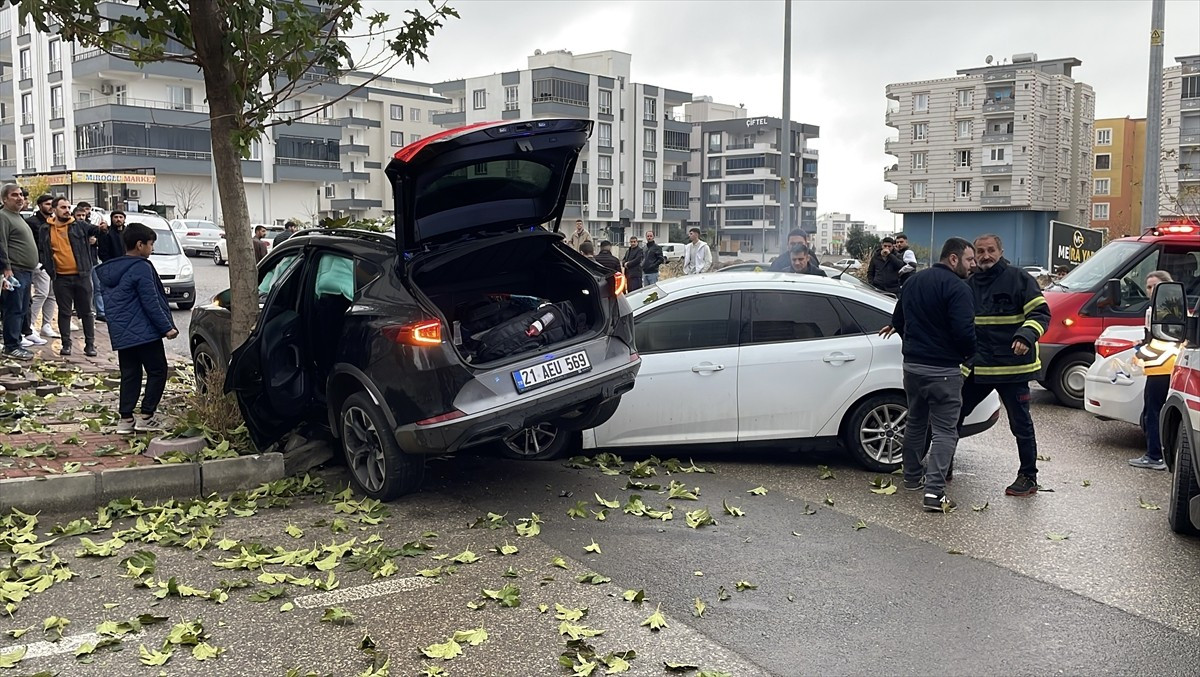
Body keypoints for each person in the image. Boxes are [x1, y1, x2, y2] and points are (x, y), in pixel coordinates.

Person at [880, 237, 976, 512]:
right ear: (954, 259)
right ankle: (934, 493)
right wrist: (969, 354)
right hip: (943, 371)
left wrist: (915, 347)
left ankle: (912, 477)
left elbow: (898, 321)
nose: (973, 265)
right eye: (969, 259)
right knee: (945, 431)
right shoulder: (958, 288)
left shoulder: (912, 282)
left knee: (916, 422)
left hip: (912, 368)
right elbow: (964, 332)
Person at [957, 234, 1050, 497]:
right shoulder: (968, 284)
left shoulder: (1020, 279)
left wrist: (1026, 335)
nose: (985, 255)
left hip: (1012, 369)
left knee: (1021, 425)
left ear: (1001, 251)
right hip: (979, 367)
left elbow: (1040, 313)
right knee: (953, 415)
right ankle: (942, 467)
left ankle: (1028, 476)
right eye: (980, 251)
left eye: (991, 250)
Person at [95, 223, 178, 434]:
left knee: (130, 374)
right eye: (151, 244)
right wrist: (167, 328)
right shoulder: (141, 267)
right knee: (158, 371)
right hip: (145, 332)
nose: (152, 248)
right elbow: (151, 301)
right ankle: (147, 416)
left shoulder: (111, 270)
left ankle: (125, 419)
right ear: (140, 245)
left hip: (122, 333)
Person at [1129, 270, 1178, 471]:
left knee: (1153, 411)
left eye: (1154, 286)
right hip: (1158, 366)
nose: (1150, 290)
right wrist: (1143, 343)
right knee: (1151, 411)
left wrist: (1142, 351)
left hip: (1162, 367)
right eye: (1148, 287)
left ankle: (1155, 456)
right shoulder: (1159, 308)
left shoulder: (1166, 310)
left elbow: (1166, 341)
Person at [43, 197, 103, 356]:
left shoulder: (79, 225)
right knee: (64, 312)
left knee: (87, 312)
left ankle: (90, 345)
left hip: (81, 275)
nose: (67, 210)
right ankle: (66, 344)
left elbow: (95, 230)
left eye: (68, 207)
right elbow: (43, 250)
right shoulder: (45, 229)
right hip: (60, 277)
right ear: (54, 210)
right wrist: (49, 269)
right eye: (63, 207)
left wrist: (102, 228)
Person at [0, 184, 40, 360]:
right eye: (14, 195)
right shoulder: (3, 216)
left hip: (26, 271)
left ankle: (16, 342)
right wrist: (7, 268)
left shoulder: (17, 216)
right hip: (14, 271)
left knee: (22, 308)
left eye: (21, 195)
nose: (20, 198)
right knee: (14, 308)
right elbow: (1, 243)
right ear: (4, 199)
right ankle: (11, 346)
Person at [25, 194, 59, 341]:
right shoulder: (31, 222)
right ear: (39, 206)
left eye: (52, 204)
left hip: (54, 262)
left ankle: (46, 325)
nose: (50, 207)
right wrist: (37, 262)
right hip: (39, 263)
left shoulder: (54, 221)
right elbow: (29, 243)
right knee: (42, 293)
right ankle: (30, 325)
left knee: (52, 294)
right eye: (47, 204)